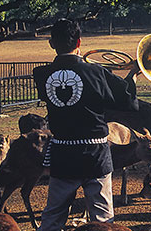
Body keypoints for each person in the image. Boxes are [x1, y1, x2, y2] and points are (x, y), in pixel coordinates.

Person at [33, 19, 140, 230]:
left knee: (52, 217)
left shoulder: (41, 75)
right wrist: (132, 75)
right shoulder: (96, 72)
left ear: (51, 43)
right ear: (79, 41)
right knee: (102, 219)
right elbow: (126, 101)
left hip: (62, 154)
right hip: (96, 154)